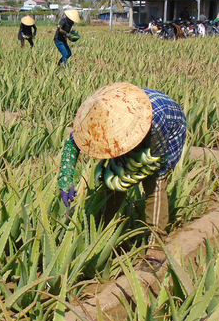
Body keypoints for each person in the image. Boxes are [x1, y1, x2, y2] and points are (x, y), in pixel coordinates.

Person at [57, 82, 186, 270]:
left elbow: (153, 162)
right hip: (134, 123)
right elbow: (72, 143)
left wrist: (130, 173)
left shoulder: (155, 122)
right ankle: (105, 229)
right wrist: (65, 179)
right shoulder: (95, 113)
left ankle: (155, 246)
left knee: (155, 182)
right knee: (113, 177)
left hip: (168, 127)